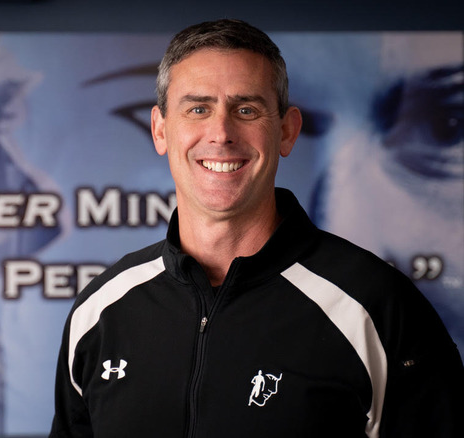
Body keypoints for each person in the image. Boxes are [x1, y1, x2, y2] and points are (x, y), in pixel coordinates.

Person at [49, 19, 463, 438]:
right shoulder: (100, 312)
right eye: (198, 109)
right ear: (161, 130)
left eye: (246, 110)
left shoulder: (379, 307)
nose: (221, 133)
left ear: (286, 130)